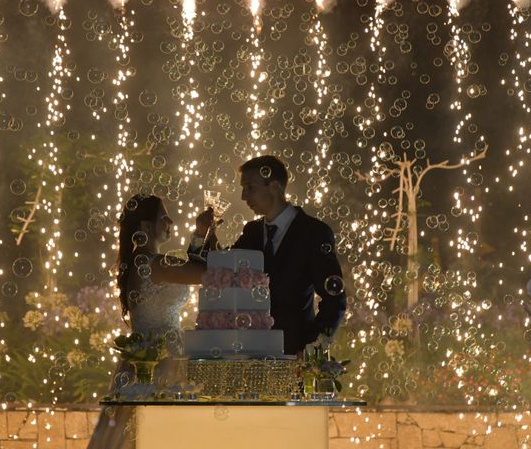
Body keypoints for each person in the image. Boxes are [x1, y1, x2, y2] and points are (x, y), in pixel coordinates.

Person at [190, 155, 346, 355]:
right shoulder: (252, 231)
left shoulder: (313, 232)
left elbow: (335, 301)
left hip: (293, 355)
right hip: (249, 352)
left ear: (275, 186)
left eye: (249, 187)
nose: (243, 197)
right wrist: (201, 235)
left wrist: (312, 348)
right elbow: (216, 270)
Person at [87, 194, 206, 449]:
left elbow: (192, 268)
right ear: (145, 227)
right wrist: (200, 233)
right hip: (160, 363)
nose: (170, 221)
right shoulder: (155, 265)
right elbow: (203, 273)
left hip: (142, 360)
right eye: (164, 217)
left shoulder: (138, 264)